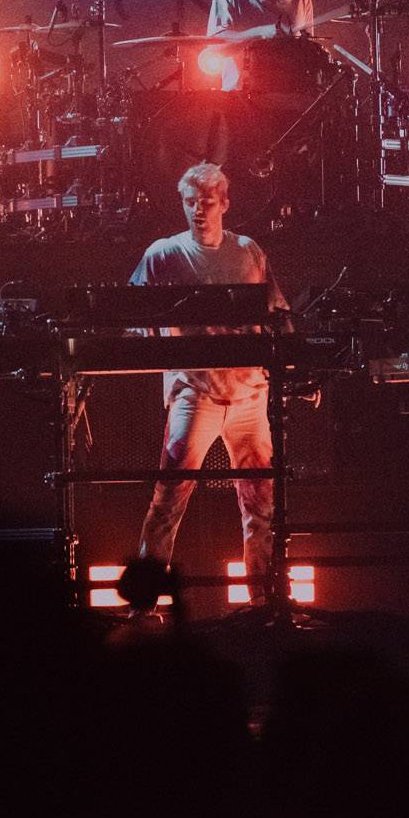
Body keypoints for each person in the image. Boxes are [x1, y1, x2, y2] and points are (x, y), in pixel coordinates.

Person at [128, 161, 289, 587]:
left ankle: (261, 598)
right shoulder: (163, 255)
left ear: (225, 204)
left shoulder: (249, 251)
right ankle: (145, 599)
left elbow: (278, 314)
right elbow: (130, 316)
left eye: (206, 202)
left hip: (250, 394)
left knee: (260, 503)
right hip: (196, 393)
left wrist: (292, 364)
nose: (198, 210)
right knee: (168, 499)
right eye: (190, 202)